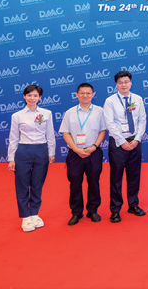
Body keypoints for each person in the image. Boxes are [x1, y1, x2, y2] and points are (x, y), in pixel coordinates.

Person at [7, 84, 56, 232]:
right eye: (29, 95)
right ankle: (25, 216)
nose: (32, 98)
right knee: (22, 185)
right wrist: (11, 158)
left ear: (40, 97)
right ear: (24, 96)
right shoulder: (17, 116)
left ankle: (34, 213)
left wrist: (51, 152)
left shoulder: (47, 113)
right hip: (23, 151)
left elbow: (50, 134)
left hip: (42, 150)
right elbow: (13, 138)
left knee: (37, 184)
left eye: (35, 95)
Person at [59, 83, 106, 225]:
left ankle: (93, 210)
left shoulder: (100, 111)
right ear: (77, 95)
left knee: (94, 182)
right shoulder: (70, 112)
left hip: (93, 152)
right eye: (82, 93)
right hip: (75, 153)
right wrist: (76, 149)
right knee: (75, 183)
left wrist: (94, 146)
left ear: (93, 94)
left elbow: (103, 130)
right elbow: (65, 133)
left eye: (88, 93)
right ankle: (76, 212)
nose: (85, 95)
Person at [103, 71, 147, 223]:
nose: (123, 85)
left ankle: (133, 205)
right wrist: (122, 141)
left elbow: (142, 120)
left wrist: (137, 139)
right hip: (117, 143)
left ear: (131, 83)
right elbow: (109, 123)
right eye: (120, 82)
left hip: (135, 142)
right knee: (116, 177)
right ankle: (115, 210)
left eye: (126, 82)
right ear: (116, 84)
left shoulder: (138, 99)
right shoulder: (110, 101)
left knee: (134, 176)